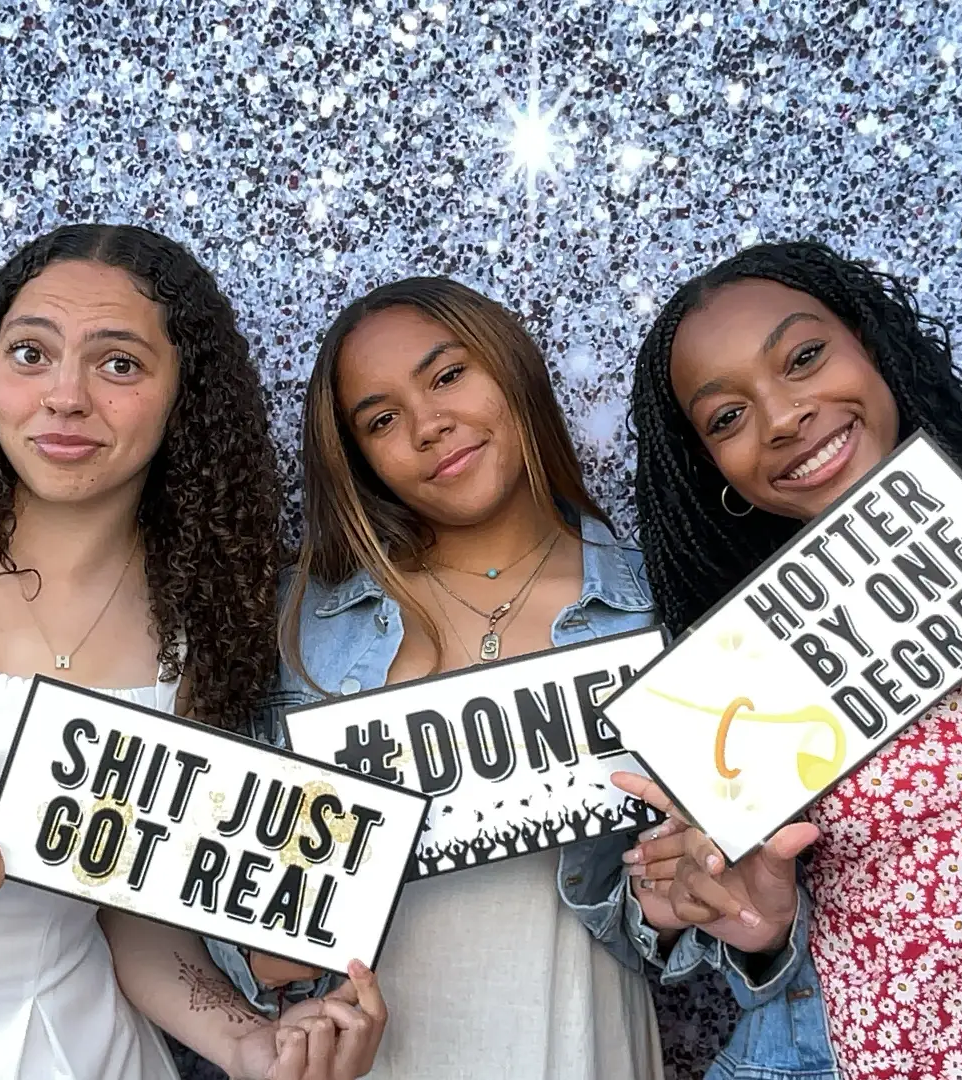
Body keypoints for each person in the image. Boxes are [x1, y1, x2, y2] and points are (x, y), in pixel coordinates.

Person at [0, 223, 385, 1080]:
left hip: (70, 1051)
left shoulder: (203, 620)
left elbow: (132, 905)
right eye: (30, 353)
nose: (64, 396)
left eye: (118, 363)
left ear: (185, 396)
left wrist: (246, 1039)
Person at [209, 276, 666, 1079]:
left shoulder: (657, 610)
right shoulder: (292, 625)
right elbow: (216, 896)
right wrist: (254, 939)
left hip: (585, 1047)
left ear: (511, 367)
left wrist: (687, 903)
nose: (429, 426)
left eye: (449, 375)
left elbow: (692, 918)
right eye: (382, 419)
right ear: (361, 460)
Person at [615, 239, 962, 1079]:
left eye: (805, 357)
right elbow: (761, 934)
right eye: (727, 417)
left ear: (873, 347)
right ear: (713, 468)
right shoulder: (738, 678)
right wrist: (761, 930)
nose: (782, 416)